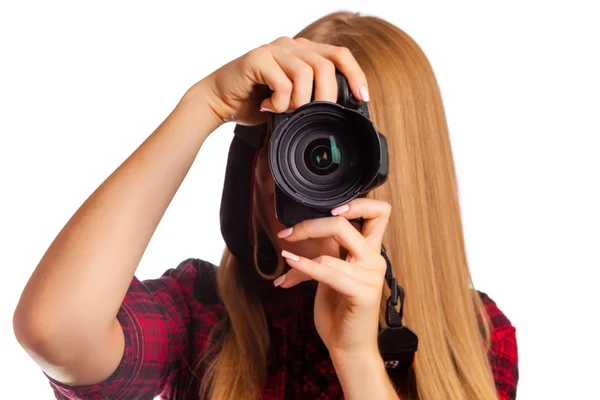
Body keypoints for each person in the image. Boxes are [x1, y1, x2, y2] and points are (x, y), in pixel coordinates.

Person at [13, 11, 518, 400]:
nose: (318, 169)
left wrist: (358, 357)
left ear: (398, 172)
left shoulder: (475, 338)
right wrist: (204, 105)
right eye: (298, 144)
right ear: (256, 163)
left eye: (341, 150)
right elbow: (55, 331)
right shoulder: (203, 313)